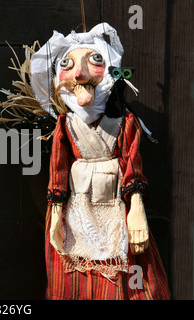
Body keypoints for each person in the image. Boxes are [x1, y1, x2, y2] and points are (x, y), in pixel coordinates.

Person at [30, 23, 171, 299]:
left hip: (115, 212)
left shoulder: (124, 123)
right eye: (68, 65)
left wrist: (136, 208)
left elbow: (132, 166)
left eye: (94, 61)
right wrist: (56, 214)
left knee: (125, 279)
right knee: (75, 278)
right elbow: (58, 170)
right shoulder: (65, 125)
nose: (79, 74)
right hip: (77, 213)